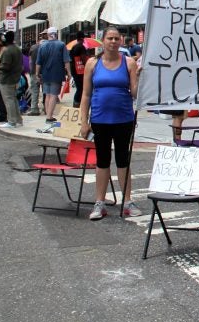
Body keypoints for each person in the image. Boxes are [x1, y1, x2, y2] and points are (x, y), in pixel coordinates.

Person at [79, 26, 141, 220]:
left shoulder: (129, 63)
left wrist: (139, 77)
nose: (113, 42)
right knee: (102, 161)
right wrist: (83, 121)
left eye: (117, 39)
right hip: (99, 119)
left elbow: (134, 94)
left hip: (124, 119)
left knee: (123, 160)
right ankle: (100, 202)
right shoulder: (92, 63)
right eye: (110, 38)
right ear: (103, 41)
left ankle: (128, 201)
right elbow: (86, 94)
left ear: (121, 41)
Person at [36, 27, 71, 124]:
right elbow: (66, 61)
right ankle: (49, 117)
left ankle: (49, 115)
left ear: (48, 35)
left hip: (45, 74)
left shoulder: (42, 46)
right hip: (57, 73)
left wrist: (37, 73)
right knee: (54, 95)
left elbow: (38, 62)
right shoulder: (61, 45)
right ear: (56, 34)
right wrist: (69, 73)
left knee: (47, 95)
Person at [0, 31, 24, 129]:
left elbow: (6, 67)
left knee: (9, 100)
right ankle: (18, 120)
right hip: (15, 78)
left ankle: (11, 121)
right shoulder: (17, 49)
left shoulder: (7, 51)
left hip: (7, 79)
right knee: (14, 99)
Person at [26, 37, 45, 116]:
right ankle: (46, 108)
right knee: (46, 91)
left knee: (34, 90)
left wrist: (31, 71)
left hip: (34, 72)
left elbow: (30, 60)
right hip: (44, 72)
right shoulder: (46, 47)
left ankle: (34, 109)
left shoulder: (33, 48)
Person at [69, 31, 88, 108]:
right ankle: (77, 104)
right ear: (82, 38)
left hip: (74, 70)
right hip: (80, 71)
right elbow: (83, 59)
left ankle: (76, 104)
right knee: (81, 89)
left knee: (79, 88)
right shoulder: (81, 47)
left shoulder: (74, 47)